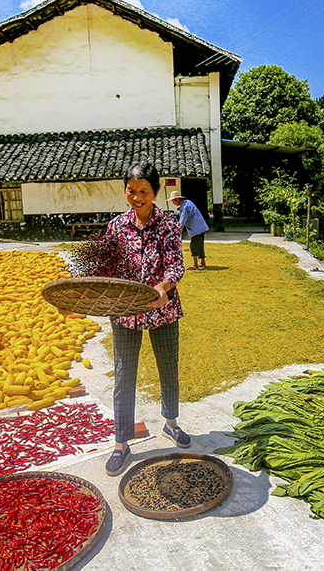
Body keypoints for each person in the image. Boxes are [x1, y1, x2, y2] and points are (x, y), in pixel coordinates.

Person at [103, 161, 191, 476]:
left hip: (163, 309)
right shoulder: (116, 226)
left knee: (168, 369)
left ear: (155, 192)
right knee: (124, 377)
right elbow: (106, 267)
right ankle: (121, 442)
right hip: (125, 315)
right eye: (131, 190)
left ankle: (170, 423)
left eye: (144, 191)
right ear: (125, 190)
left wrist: (162, 287)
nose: (137, 197)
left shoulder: (167, 224)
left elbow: (175, 264)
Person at [169, 190, 208, 270]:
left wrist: (177, 230)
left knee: (194, 246)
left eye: (173, 201)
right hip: (200, 226)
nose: (173, 203)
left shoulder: (185, 206)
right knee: (200, 246)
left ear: (177, 199)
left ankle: (195, 265)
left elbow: (183, 219)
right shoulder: (187, 202)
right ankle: (203, 262)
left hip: (196, 228)